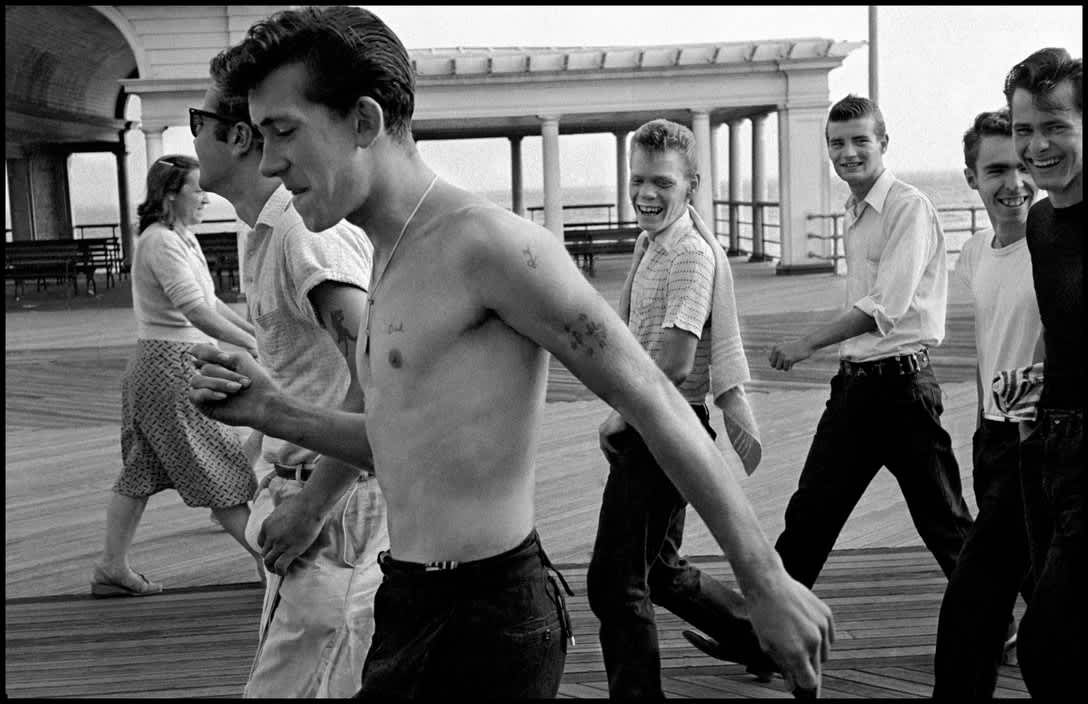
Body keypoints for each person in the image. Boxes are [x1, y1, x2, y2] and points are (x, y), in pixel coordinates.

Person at [187, 6, 833, 699]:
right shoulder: (388, 254)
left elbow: (650, 395)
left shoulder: (491, 246)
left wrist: (764, 581)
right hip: (408, 601)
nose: (271, 160)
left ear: (365, 122)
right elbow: (402, 442)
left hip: (486, 622)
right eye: (260, 137)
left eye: (284, 131)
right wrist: (272, 410)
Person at [685, 94, 978, 673]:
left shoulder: (907, 208)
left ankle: (1007, 627)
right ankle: (764, 640)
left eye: (859, 141)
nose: (847, 153)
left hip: (902, 391)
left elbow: (884, 308)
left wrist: (805, 344)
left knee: (945, 521)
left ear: (884, 143)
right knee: (809, 517)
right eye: (837, 144)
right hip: (856, 391)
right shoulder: (855, 210)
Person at [192, 46, 388, 698]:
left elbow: (379, 375)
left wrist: (310, 506)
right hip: (323, 507)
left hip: (329, 517)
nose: (189, 137)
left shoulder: (303, 236)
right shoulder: (273, 232)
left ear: (240, 135)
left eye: (198, 119)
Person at [586, 118, 768, 698]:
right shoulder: (651, 246)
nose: (645, 194)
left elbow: (676, 363)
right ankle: (761, 640)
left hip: (664, 426)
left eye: (661, 183)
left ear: (692, 183)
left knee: (616, 584)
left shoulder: (689, 254)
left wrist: (620, 414)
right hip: (657, 423)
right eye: (637, 180)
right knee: (658, 570)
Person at [90, 154, 262, 598]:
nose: (206, 196)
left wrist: (252, 334)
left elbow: (211, 301)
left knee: (140, 471)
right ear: (170, 194)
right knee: (217, 463)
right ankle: (272, 565)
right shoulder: (161, 243)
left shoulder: (180, 237)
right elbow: (194, 310)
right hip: (170, 368)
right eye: (197, 189)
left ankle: (111, 567)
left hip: (169, 364)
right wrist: (250, 345)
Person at [931, 108, 1041, 698]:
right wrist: (980, 428)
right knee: (1036, 596)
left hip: (1038, 446)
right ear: (971, 177)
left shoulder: (1053, 246)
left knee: (971, 602)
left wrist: (1025, 423)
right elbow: (986, 351)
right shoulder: (974, 255)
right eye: (996, 169)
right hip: (994, 441)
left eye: (1023, 166)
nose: (1014, 182)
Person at [1004, 47, 1085, 699]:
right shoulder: (1040, 223)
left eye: (1055, 125)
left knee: (1046, 642)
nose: (1036, 145)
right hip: (1048, 452)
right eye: (1024, 129)